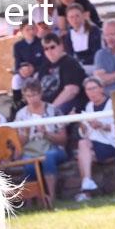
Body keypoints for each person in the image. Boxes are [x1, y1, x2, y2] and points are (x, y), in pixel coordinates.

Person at [15, 78, 68, 207]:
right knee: (29, 164)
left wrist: (47, 133)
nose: (31, 99)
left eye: (34, 95)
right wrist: (26, 131)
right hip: (30, 150)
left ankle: (51, 198)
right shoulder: (21, 115)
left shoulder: (53, 110)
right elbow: (18, 144)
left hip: (54, 148)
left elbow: (64, 139)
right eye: (28, 96)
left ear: (40, 93)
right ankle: (32, 201)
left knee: (47, 158)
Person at [75, 76, 115, 202]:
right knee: (83, 148)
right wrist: (81, 124)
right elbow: (87, 134)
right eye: (88, 89)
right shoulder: (89, 106)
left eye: (94, 88)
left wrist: (102, 125)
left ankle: (86, 191)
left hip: (112, 144)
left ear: (101, 88)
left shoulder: (113, 103)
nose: (91, 92)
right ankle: (87, 184)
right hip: (94, 145)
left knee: (82, 153)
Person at [38, 33, 86, 114]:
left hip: (66, 104)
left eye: (52, 47)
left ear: (61, 46)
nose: (49, 51)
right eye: (46, 49)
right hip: (45, 107)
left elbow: (72, 91)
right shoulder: (44, 66)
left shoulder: (70, 63)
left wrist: (50, 109)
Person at [11, 21, 44, 110]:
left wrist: (34, 69)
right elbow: (17, 65)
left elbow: (44, 63)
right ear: (22, 31)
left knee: (37, 78)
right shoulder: (18, 46)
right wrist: (21, 71)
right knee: (16, 79)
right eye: (27, 29)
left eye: (33, 29)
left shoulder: (41, 43)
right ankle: (17, 103)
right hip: (25, 74)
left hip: (37, 73)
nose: (31, 32)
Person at [63, 3, 101, 70]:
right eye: (71, 17)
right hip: (78, 66)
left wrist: (81, 63)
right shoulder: (69, 34)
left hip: (94, 65)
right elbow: (70, 54)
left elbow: (97, 53)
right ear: (67, 19)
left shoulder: (93, 30)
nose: (75, 19)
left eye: (77, 16)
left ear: (83, 15)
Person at [93, 19, 115, 94]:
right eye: (106, 35)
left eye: (112, 34)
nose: (109, 38)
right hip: (110, 98)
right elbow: (101, 80)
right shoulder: (101, 54)